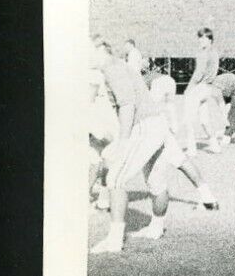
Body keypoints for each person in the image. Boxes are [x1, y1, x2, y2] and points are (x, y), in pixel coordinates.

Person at [89, 36, 217, 254]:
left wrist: (123, 140)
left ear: (99, 49)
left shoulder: (112, 67)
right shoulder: (120, 65)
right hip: (157, 123)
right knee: (156, 181)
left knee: (115, 180)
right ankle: (156, 228)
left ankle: (114, 241)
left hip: (145, 126)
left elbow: (127, 104)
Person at [183, 27, 222, 153]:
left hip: (199, 88)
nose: (200, 40)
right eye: (199, 37)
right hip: (208, 88)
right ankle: (215, 146)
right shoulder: (215, 53)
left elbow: (198, 73)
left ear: (209, 39)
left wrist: (188, 89)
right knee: (204, 119)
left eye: (203, 38)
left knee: (188, 118)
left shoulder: (202, 53)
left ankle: (191, 148)